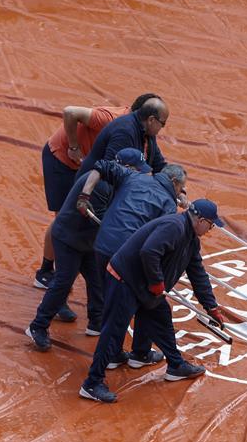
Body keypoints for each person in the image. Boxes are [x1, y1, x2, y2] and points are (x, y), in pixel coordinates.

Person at [79, 199, 228, 403]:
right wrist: (157, 282)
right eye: (211, 224)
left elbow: (198, 273)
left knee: (161, 317)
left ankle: (174, 365)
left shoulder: (191, 240)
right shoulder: (174, 227)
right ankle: (92, 383)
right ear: (201, 220)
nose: (211, 229)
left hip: (143, 285)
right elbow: (149, 251)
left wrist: (210, 306)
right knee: (113, 331)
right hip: (125, 280)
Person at [34, 93, 160, 303]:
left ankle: (62, 277)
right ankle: (47, 271)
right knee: (65, 219)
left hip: (89, 169)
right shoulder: (111, 119)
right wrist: (74, 147)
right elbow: (70, 112)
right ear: (145, 116)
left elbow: (152, 159)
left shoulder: (142, 131)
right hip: (62, 159)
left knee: (79, 224)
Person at [25, 148, 153, 352]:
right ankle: (38, 326)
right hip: (69, 238)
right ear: (127, 168)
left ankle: (96, 322)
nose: (140, 176)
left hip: (88, 240)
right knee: (63, 281)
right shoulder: (102, 186)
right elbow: (108, 221)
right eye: (138, 171)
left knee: (97, 281)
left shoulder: (111, 181)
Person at [75, 154, 189, 362]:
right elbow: (156, 245)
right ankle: (120, 356)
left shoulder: (134, 177)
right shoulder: (167, 204)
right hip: (125, 256)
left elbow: (100, 165)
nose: (182, 192)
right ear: (174, 183)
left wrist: (84, 196)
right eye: (182, 187)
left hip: (102, 245)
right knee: (132, 305)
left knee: (109, 300)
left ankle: (114, 348)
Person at [75, 97, 169, 179]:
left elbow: (158, 164)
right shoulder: (124, 132)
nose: (162, 128)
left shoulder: (148, 134)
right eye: (163, 123)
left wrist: (176, 184)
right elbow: (110, 170)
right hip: (93, 189)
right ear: (151, 120)